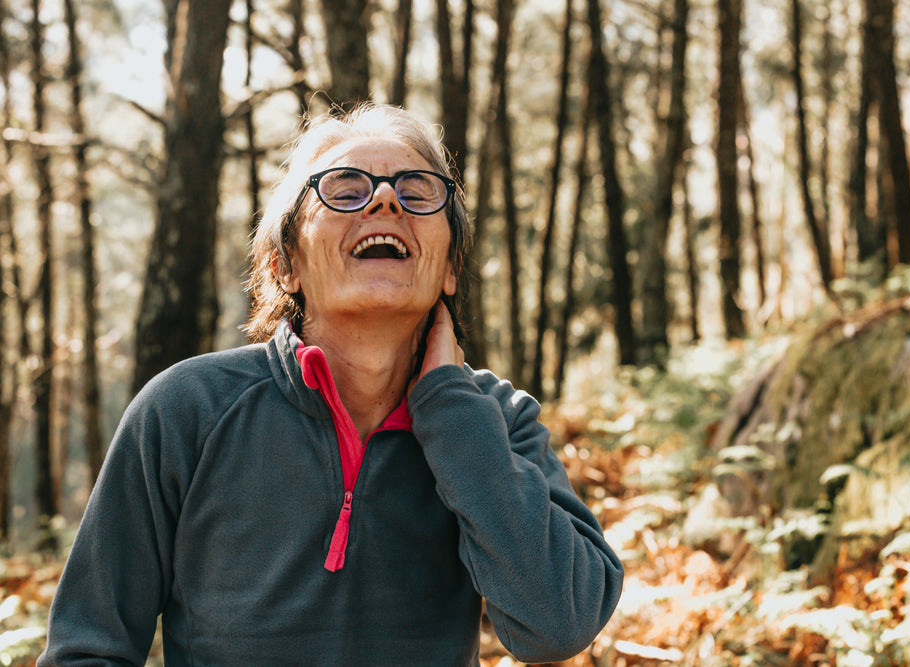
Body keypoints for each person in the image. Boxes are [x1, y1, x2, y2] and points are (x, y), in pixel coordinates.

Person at [39, 103, 623, 666]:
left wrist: (450, 412)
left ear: (449, 269)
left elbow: (558, 624)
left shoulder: (497, 420)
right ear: (284, 264)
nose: (387, 199)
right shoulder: (186, 411)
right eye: (345, 189)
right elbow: (88, 648)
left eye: (418, 191)